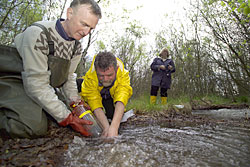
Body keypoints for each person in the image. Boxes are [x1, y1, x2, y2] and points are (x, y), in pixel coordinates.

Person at [0, 0, 102, 138]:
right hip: (15, 80)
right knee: (33, 126)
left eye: (91, 28)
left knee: (69, 113)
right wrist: (67, 117)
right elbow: (36, 85)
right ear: (70, 13)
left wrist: (74, 102)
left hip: (42, 84)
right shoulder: (38, 33)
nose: (86, 32)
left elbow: (69, 77)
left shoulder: (76, 47)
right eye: (84, 24)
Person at [78, 51, 133, 137]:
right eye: (101, 76)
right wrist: (106, 128)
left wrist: (114, 127)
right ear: (96, 71)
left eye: (109, 75)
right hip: (96, 92)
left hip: (109, 96)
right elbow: (94, 102)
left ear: (116, 69)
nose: (105, 79)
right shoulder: (90, 77)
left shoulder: (123, 74)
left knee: (113, 116)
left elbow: (122, 98)